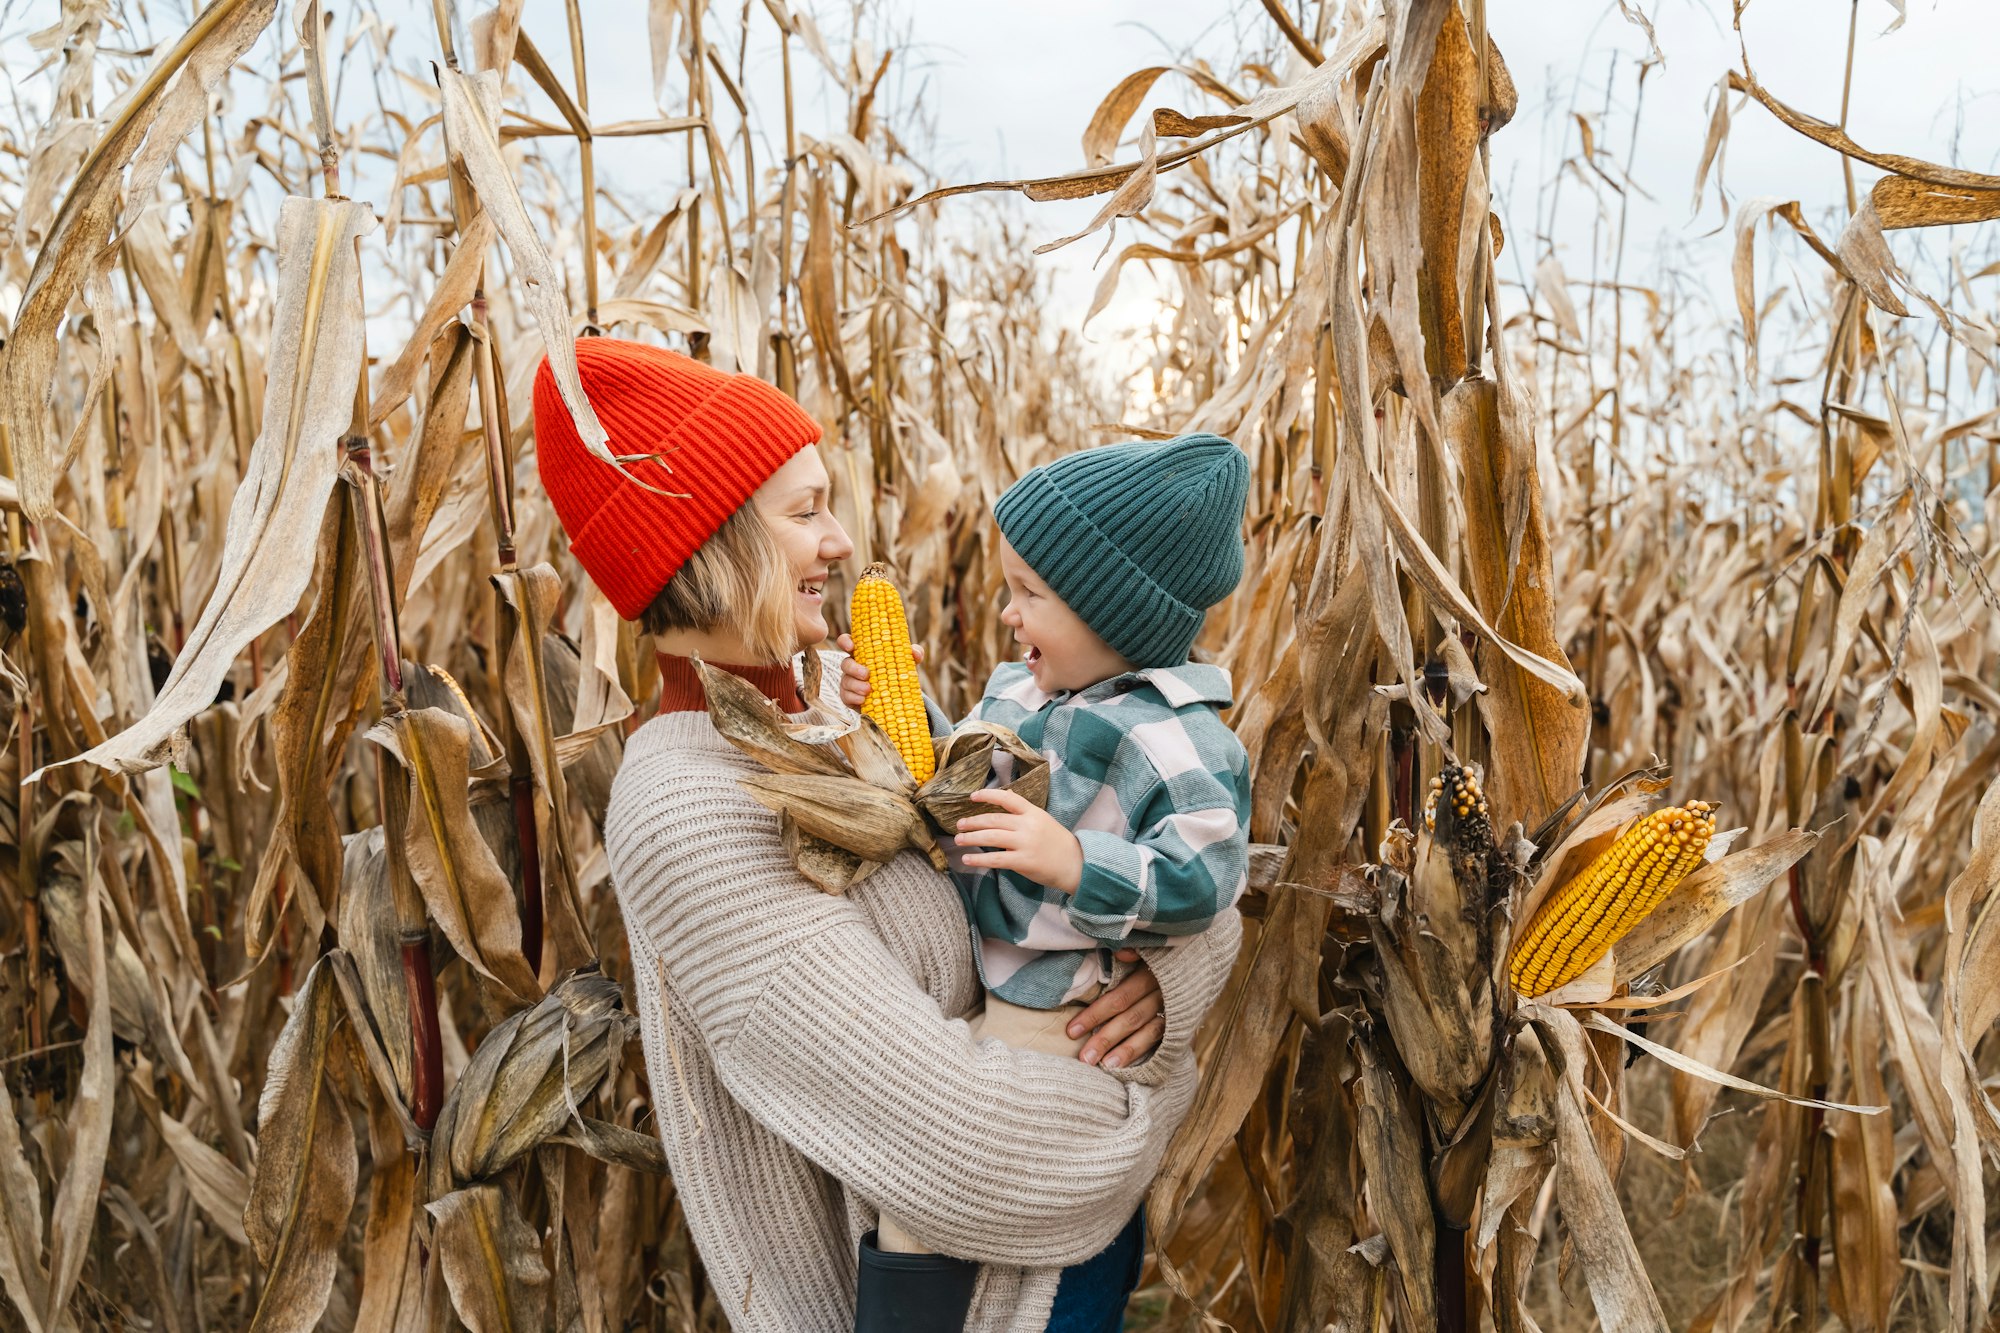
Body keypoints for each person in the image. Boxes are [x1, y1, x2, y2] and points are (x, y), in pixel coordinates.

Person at [532, 337, 1242, 1333]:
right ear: (711, 541)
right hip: (968, 1294)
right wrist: (1146, 1097)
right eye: (804, 511)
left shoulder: (827, 712)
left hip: (1048, 1263)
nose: (838, 541)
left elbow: (1184, 874)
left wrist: (1164, 985)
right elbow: (960, 1149)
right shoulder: (687, 808)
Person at [840, 435, 1253, 1266]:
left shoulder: (1175, 737)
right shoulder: (1026, 689)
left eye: (1028, 592)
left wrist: (1075, 862)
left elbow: (1205, 873)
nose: (1007, 612)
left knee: (934, 1198)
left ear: (1114, 614)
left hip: (1060, 1012)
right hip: (989, 985)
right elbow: (962, 779)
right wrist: (898, 710)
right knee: (922, 1190)